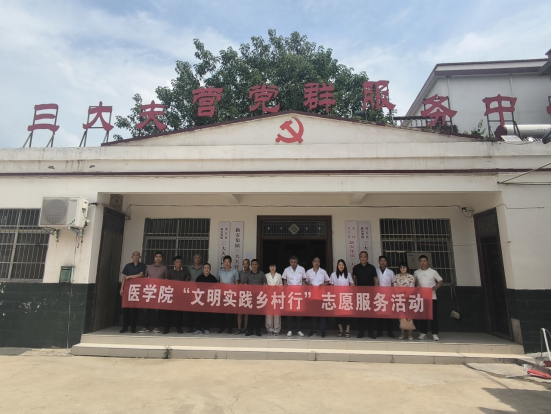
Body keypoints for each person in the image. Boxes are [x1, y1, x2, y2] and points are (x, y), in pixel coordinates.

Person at [415, 255, 444, 341]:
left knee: (433, 316)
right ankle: (423, 332)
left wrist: (436, 287)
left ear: (427, 262)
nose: (423, 262)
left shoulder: (433, 272)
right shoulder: (416, 272)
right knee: (422, 316)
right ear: (419, 262)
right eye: (421, 261)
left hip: (432, 297)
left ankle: (434, 333)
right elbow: (414, 282)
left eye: (424, 261)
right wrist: (416, 285)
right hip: (421, 298)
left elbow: (441, 280)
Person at [352, 251, 379, 339]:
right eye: (361, 256)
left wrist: (376, 291)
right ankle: (361, 332)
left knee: (370, 314)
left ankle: (371, 332)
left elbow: (375, 279)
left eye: (364, 256)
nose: (363, 258)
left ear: (367, 258)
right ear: (359, 258)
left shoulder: (372, 267)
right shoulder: (356, 268)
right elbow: (354, 279)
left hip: (370, 294)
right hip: (360, 294)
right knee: (361, 314)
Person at [139, 252, 168, 334]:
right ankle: (146, 326)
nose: (158, 258)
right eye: (156, 256)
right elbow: (145, 277)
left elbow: (166, 279)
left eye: (160, 257)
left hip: (159, 291)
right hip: (149, 291)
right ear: (154, 258)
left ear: (162, 259)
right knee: (147, 310)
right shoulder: (148, 267)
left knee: (156, 310)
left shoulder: (164, 268)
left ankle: (155, 326)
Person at [119, 251, 147, 334]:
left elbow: (140, 275)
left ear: (140, 257)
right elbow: (124, 277)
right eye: (134, 255)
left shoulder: (142, 266)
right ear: (132, 257)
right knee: (126, 309)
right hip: (128, 289)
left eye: (137, 255)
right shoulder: (128, 266)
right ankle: (125, 327)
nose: (136, 256)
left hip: (137, 290)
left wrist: (130, 277)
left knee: (135, 310)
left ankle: (133, 327)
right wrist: (122, 288)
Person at [163, 256, 191, 335]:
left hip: (181, 295)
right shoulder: (170, 271)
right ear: (174, 263)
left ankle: (179, 328)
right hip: (171, 295)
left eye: (180, 262)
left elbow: (187, 282)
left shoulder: (185, 271)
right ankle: (167, 328)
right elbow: (166, 282)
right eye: (177, 262)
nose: (178, 264)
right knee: (169, 313)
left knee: (179, 313)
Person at [282, 255, 307, 337]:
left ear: (297, 261)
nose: (293, 264)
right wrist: (285, 282)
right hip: (290, 294)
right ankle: (290, 330)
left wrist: (304, 283)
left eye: (295, 262)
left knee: (299, 312)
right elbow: (284, 279)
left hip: (299, 293)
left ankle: (299, 330)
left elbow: (304, 279)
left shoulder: (302, 269)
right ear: (289, 262)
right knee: (290, 312)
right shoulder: (286, 270)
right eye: (292, 262)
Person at [305, 257, 330, 338]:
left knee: (322, 315)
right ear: (312, 262)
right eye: (315, 261)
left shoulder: (323, 271)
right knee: (313, 314)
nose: (317, 263)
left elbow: (328, 281)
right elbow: (305, 282)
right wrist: (309, 285)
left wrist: (323, 285)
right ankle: (313, 331)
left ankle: (323, 331)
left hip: (322, 295)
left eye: (318, 262)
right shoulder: (308, 272)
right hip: (312, 296)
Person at [330, 260, 355, 338]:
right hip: (337, 297)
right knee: (338, 315)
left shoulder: (348, 274)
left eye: (342, 265)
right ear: (337, 266)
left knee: (347, 314)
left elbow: (352, 284)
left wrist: (350, 287)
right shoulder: (333, 274)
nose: (341, 266)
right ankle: (340, 330)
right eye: (339, 265)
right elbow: (331, 286)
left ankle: (347, 330)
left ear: (345, 266)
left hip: (346, 297)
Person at [394, 262, 416, 341]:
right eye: (401, 267)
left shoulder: (411, 277)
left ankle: (410, 334)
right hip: (400, 299)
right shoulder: (396, 276)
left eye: (404, 267)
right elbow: (395, 288)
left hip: (409, 299)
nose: (402, 269)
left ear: (407, 268)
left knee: (409, 316)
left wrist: (406, 296)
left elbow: (412, 288)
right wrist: (400, 296)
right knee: (401, 316)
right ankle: (402, 333)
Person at [217, 255, 239, 334]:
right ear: (223, 263)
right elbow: (217, 282)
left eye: (228, 262)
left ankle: (230, 328)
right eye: (225, 262)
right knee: (221, 312)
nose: (226, 263)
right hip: (222, 294)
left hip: (231, 294)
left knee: (230, 313)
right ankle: (222, 328)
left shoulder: (235, 271)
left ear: (231, 263)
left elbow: (236, 283)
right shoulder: (220, 272)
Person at [194, 263, 218, 335]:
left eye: (208, 268)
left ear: (210, 269)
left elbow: (215, 288)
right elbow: (196, 288)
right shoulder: (199, 278)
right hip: (200, 298)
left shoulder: (213, 279)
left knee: (207, 314)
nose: (206, 269)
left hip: (209, 299)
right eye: (205, 268)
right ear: (203, 269)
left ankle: (206, 328)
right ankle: (198, 329)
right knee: (198, 314)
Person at [376, 256, 396, 338]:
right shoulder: (376, 271)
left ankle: (390, 332)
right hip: (378, 296)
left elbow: (393, 283)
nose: (383, 262)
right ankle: (379, 331)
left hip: (388, 296)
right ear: (379, 262)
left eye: (384, 261)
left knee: (388, 315)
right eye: (381, 261)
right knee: (379, 315)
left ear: (386, 262)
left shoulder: (390, 272)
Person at [244, 259, 265, 337]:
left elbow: (264, 283)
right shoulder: (248, 274)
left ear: (258, 265)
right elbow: (245, 284)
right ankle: (250, 330)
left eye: (256, 264)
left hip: (259, 296)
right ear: (251, 265)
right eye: (253, 264)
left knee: (258, 314)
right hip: (250, 296)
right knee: (250, 314)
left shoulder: (262, 273)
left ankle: (258, 330)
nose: (254, 266)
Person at [187, 253, 204, 333]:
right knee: (190, 310)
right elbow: (187, 278)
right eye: (196, 258)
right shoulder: (189, 268)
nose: (197, 259)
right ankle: (190, 327)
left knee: (199, 310)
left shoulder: (203, 268)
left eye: (198, 258)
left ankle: (198, 327)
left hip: (200, 291)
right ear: (193, 259)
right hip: (191, 291)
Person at [264, 264, 283, 336]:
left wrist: (276, 288)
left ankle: (277, 329)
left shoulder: (279, 275)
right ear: (269, 268)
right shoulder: (266, 275)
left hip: (277, 296)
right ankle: (269, 329)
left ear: (276, 267)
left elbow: (281, 285)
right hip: (269, 296)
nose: (272, 268)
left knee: (277, 313)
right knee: (269, 313)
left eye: (274, 267)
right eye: (271, 267)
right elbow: (264, 286)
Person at [236, 259, 251, 335]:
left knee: (246, 313)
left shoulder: (251, 273)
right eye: (244, 264)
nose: (245, 265)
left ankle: (245, 328)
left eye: (246, 264)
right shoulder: (240, 273)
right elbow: (237, 282)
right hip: (241, 294)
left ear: (249, 264)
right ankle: (239, 328)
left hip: (248, 294)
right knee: (239, 313)